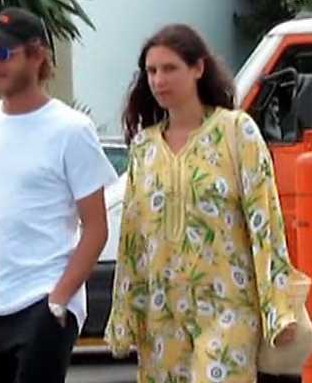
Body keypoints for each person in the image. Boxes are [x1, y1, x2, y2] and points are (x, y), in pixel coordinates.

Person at [104, 24, 299, 382]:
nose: (159, 80)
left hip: (228, 305)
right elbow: (132, 239)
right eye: (151, 71)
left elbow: (265, 223)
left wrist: (279, 309)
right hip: (161, 315)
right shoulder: (144, 147)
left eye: (169, 68)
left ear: (198, 68)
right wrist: (125, 315)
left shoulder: (235, 131)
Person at [0, 7, 119, 383]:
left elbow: (95, 228)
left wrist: (59, 299)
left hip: (43, 303)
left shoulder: (71, 129)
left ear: (37, 54)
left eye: (4, 53)